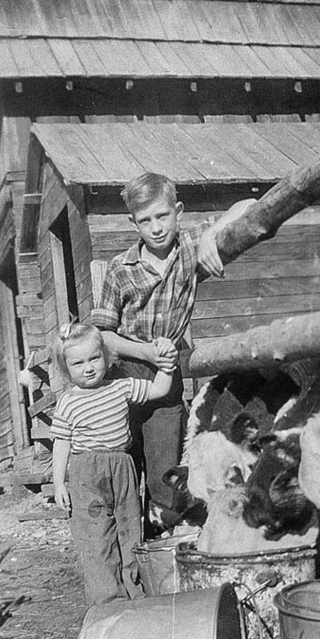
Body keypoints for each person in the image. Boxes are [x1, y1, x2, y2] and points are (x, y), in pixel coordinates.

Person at [90, 172, 255, 537]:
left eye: (163, 216)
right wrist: (144, 350)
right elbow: (103, 334)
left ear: (178, 211)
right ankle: (124, 536)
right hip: (124, 370)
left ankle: (163, 532)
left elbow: (250, 206)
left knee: (166, 460)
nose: (156, 228)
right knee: (124, 457)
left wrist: (213, 234)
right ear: (133, 223)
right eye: (145, 221)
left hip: (166, 372)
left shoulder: (189, 247)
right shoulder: (121, 268)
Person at [51, 321, 176, 605]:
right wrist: (58, 483)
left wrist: (167, 362)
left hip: (122, 466)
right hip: (86, 472)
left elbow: (159, 390)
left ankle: (134, 592)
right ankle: (108, 599)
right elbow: (62, 443)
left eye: (94, 358)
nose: (88, 368)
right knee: (96, 537)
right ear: (66, 368)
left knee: (129, 527)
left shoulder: (121, 388)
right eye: (78, 363)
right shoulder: (68, 402)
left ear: (106, 357)